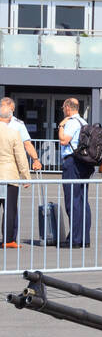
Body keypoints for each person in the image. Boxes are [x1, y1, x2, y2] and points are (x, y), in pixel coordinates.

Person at [1, 98, 40, 248]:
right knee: (10, 208)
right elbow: (21, 156)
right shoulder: (14, 132)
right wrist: (26, 177)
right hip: (9, 174)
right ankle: (8, 240)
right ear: (10, 116)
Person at [57, 97, 92, 248]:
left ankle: (75, 239)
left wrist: (60, 126)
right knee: (82, 200)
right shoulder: (84, 122)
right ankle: (84, 238)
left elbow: (64, 140)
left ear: (68, 108)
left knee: (72, 200)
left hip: (73, 162)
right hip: (85, 163)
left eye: (63, 108)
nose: (63, 111)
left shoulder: (70, 122)